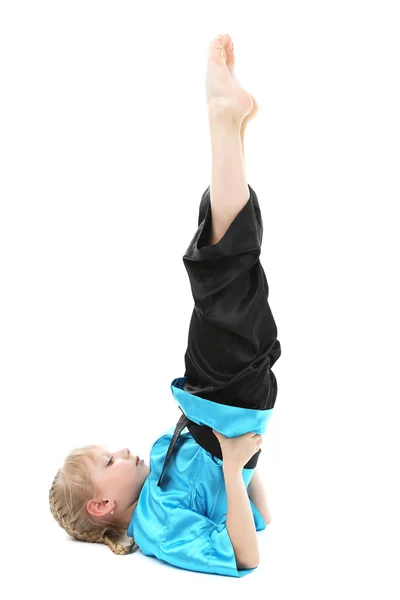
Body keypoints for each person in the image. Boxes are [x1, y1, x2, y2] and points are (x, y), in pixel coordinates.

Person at [49, 33, 281, 578]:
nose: (123, 451)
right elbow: (246, 554)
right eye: (109, 461)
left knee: (230, 273)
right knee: (222, 274)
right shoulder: (154, 525)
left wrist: (244, 468)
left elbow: (261, 515)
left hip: (215, 397)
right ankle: (224, 120)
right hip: (228, 398)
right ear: (102, 506)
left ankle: (233, 126)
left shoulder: (159, 469)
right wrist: (232, 466)